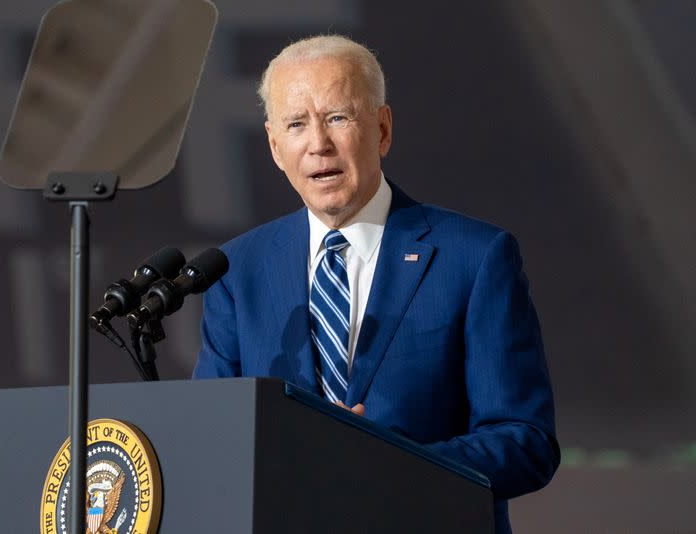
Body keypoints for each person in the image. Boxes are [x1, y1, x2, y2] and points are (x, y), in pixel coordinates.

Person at [193, 34, 559, 533]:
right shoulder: (238, 271)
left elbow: (526, 441)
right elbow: (212, 440)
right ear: (276, 147)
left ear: (382, 130)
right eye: (296, 124)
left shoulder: (474, 258)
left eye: (338, 117)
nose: (318, 143)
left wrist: (392, 462)